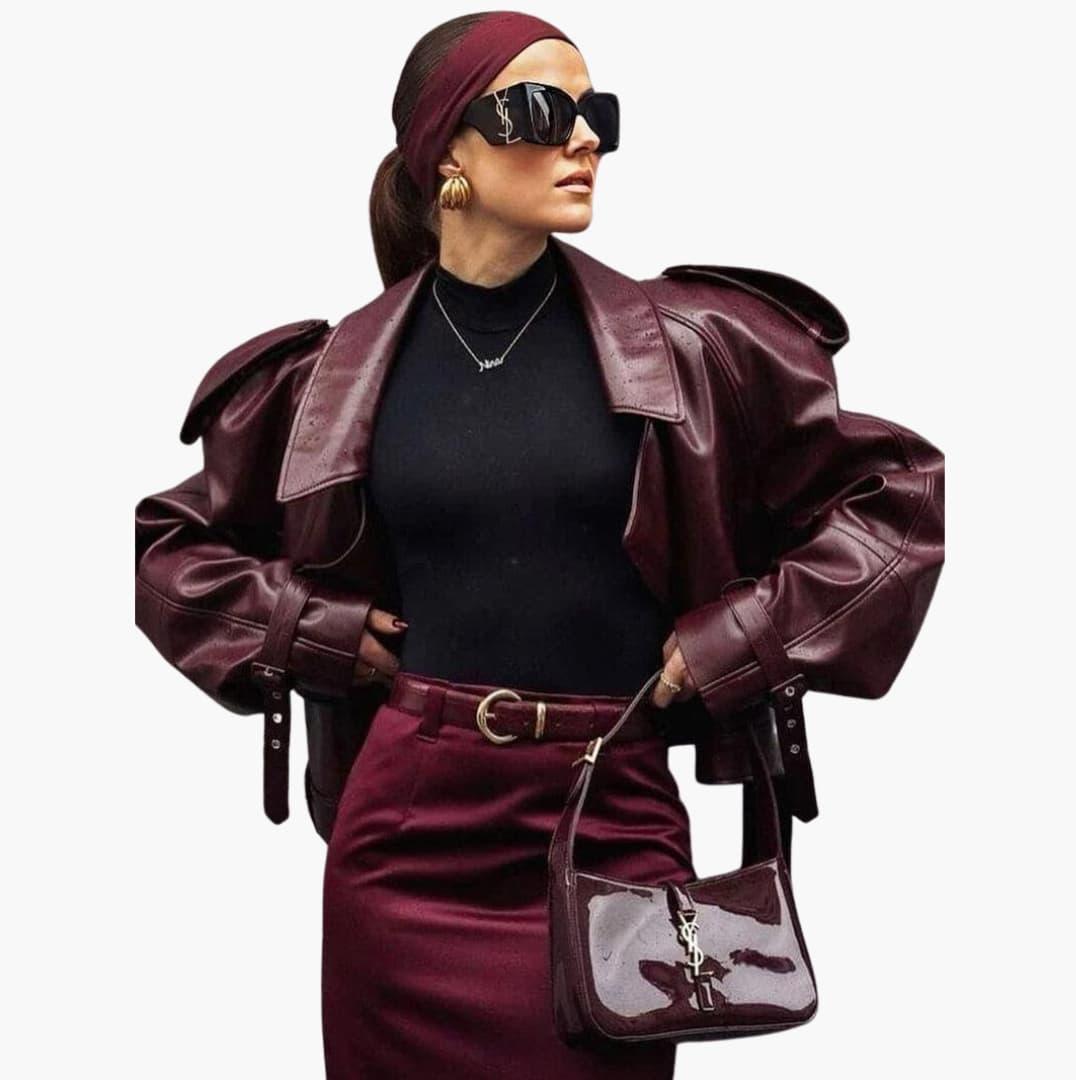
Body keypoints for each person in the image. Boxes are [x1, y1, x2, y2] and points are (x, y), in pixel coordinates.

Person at [134, 11, 946, 1079]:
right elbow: (173, 551)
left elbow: (895, 502)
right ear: (447, 154)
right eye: (538, 111)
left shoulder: (696, 346)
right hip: (406, 836)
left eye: (595, 111)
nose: (584, 137)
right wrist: (301, 628)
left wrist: (742, 640)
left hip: (610, 808)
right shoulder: (329, 375)